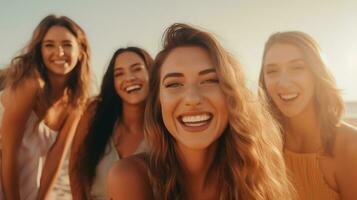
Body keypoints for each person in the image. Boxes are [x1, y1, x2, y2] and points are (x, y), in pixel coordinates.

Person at [108, 23, 294, 200]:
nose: (192, 98)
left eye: (209, 80)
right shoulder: (131, 176)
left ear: (233, 95)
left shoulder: (258, 174)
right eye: (174, 84)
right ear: (158, 102)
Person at [0, 15, 91, 199]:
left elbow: (55, 161)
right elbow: (9, 152)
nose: (59, 52)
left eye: (67, 44)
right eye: (49, 45)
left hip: (28, 179)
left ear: (80, 50)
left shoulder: (76, 101)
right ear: (39, 50)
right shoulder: (30, 84)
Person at [259, 31, 357, 200]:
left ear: (317, 74)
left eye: (297, 68)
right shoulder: (260, 145)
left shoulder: (350, 146)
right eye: (272, 71)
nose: (283, 82)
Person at [69, 47, 153, 199]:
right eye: (119, 73)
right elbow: (75, 169)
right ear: (113, 83)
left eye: (137, 69)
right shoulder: (95, 114)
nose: (129, 78)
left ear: (151, 73)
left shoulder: (166, 126)